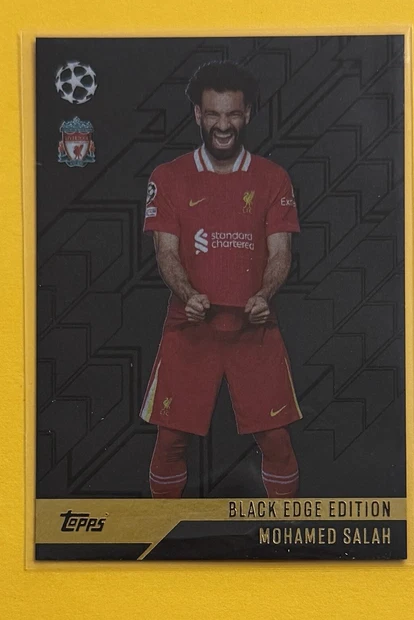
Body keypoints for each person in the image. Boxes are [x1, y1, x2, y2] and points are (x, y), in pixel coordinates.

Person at [140, 60, 302, 498]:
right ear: (198, 114)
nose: (223, 125)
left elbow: (281, 252)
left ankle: (284, 531)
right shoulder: (168, 177)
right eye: (213, 114)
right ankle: (162, 531)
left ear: (246, 114)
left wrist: (265, 294)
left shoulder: (273, 178)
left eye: (232, 114)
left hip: (253, 326)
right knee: (170, 440)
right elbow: (165, 252)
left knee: (277, 440)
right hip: (190, 326)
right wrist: (187, 294)